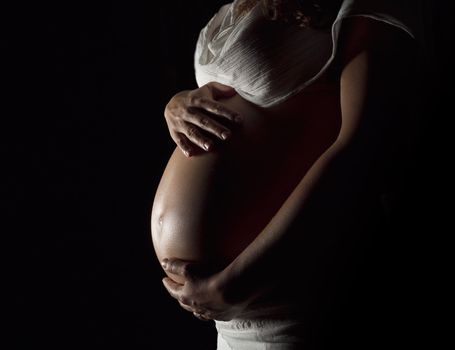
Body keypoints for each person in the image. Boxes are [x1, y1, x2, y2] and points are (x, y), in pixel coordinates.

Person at [153, 0, 420, 348]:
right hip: (228, 313)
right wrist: (175, 103)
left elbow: (360, 149)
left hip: (281, 291)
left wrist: (236, 282)